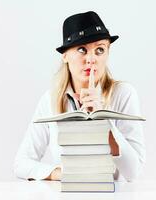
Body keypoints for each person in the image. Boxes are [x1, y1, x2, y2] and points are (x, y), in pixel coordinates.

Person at [14, 11, 145, 182]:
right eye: (82, 50)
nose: (91, 59)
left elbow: (133, 173)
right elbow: (21, 164)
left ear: (107, 53)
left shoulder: (124, 94)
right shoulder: (51, 99)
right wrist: (59, 174)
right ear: (65, 55)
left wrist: (104, 121)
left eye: (99, 50)